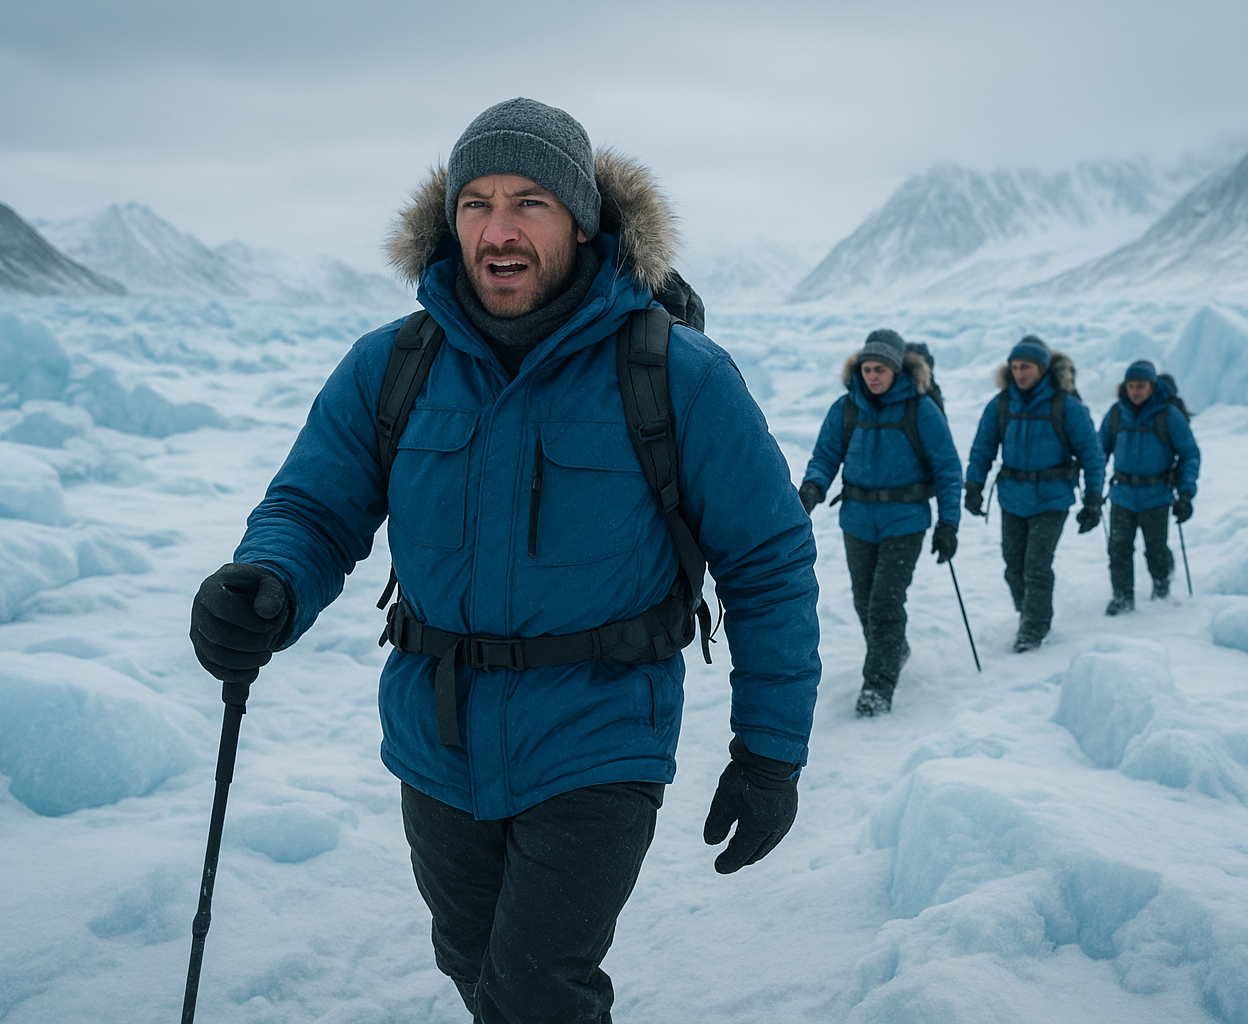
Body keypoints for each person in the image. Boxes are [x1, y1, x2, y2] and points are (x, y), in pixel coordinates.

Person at [187, 98, 821, 1024]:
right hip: (436, 741)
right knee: (472, 963)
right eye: (476, 203)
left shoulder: (676, 374)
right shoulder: (393, 364)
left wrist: (769, 755)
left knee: (535, 991)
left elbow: (768, 564)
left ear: (581, 221)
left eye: (529, 201)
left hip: (599, 735)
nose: (499, 229)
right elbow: (314, 508)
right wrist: (269, 584)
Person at [798, 329, 962, 716]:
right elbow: (825, 455)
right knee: (864, 601)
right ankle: (894, 649)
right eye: (867, 369)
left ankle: (878, 685)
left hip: (905, 521)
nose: (873, 376)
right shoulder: (846, 408)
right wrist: (812, 489)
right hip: (857, 521)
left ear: (896, 370)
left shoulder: (921, 410)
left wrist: (949, 523)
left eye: (881, 369)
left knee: (885, 603)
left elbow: (947, 469)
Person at [963, 335, 1105, 652]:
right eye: (1014, 367)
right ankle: (1028, 612)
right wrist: (974, 485)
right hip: (1012, 498)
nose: (1019, 373)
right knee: (1013, 566)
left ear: (1042, 369)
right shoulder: (1001, 405)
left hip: (1053, 499)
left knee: (1036, 566)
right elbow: (983, 448)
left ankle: (1034, 629)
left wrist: (1093, 499)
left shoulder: (1066, 406)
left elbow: (1091, 455)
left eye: (1025, 367)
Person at [1098, 360, 1200, 613]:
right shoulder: (1116, 414)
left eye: (1141, 386)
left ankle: (1161, 587)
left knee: (1155, 548)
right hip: (1122, 494)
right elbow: (1099, 452)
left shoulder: (1169, 415)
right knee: (1118, 548)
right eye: (1131, 386)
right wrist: (1093, 488)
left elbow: (1189, 454)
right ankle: (1122, 597)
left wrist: (1186, 494)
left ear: (1152, 386)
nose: (1135, 391)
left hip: (1157, 495)